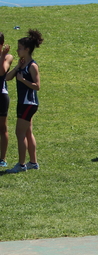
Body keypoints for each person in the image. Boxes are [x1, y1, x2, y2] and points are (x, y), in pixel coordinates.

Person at [5, 29, 42, 174]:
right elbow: (7, 77)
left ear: (27, 49)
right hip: (24, 103)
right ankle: (33, 162)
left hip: (29, 103)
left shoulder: (32, 66)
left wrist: (23, 80)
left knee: (19, 134)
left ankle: (21, 165)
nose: (17, 50)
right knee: (27, 133)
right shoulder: (22, 64)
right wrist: (17, 67)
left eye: (20, 48)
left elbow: (37, 86)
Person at [0, 32, 13, 168]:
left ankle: (2, 158)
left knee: (2, 128)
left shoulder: (8, 57)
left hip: (1, 96)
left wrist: (2, 55)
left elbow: (2, 71)